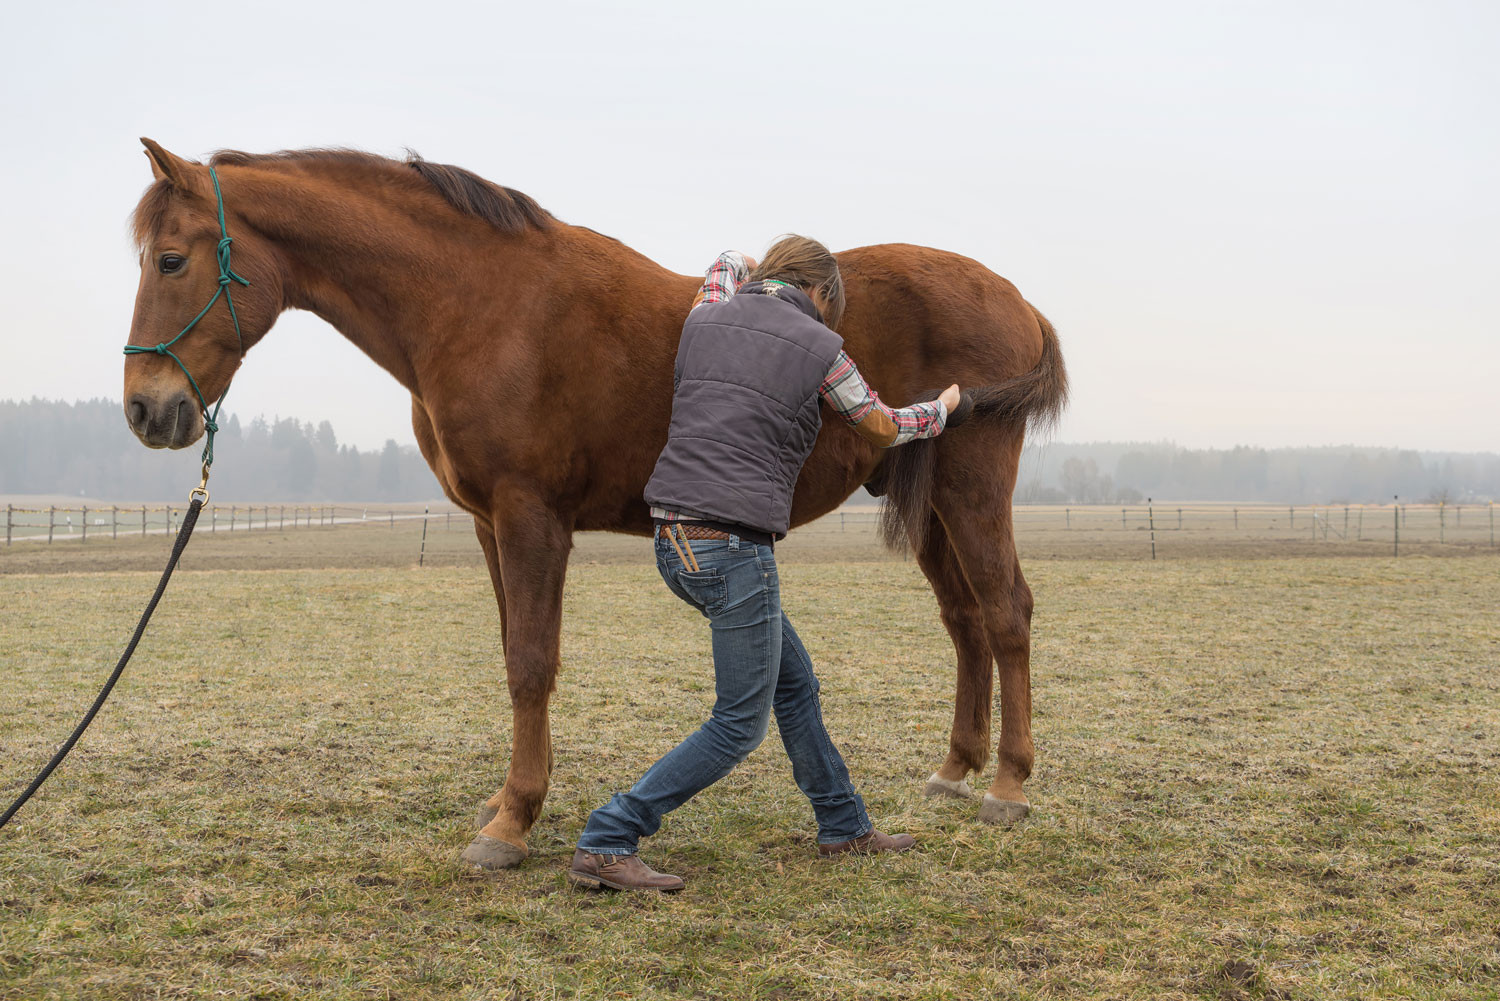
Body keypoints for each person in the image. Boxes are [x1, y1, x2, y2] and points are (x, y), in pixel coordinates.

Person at [569, 236, 962, 892]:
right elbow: (882, 424)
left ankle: (843, 822)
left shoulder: (707, 314)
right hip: (733, 547)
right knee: (738, 723)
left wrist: (740, 260)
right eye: (831, 303)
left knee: (794, 683)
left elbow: (723, 263)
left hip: (675, 538)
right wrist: (943, 410)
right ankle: (610, 835)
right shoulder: (822, 351)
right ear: (820, 293)